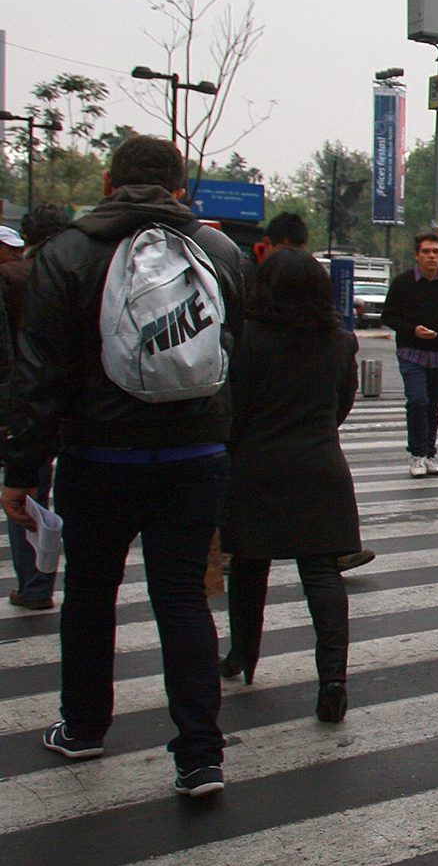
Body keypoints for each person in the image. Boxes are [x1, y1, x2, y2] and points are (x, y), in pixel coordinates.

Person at [1, 136, 245, 798]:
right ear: (180, 187)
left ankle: (83, 726)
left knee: (89, 595)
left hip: (98, 457)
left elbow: (38, 373)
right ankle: (200, 755)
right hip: (195, 458)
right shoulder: (219, 252)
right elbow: (235, 360)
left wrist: (21, 468)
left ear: (108, 180)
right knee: (182, 598)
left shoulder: (68, 253)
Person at [218, 249, 361, 723]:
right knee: (321, 574)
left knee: (249, 565)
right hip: (320, 464)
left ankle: (243, 654)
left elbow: (231, 408)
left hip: (257, 465)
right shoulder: (339, 342)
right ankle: (333, 680)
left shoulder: (246, 339)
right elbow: (342, 403)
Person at [3, 206, 68, 611]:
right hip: (80, 409)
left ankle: (35, 584)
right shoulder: (83, 272)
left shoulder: (12, 279)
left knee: (28, 495)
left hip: (28, 405)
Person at [381, 233, 438, 479]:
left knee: (433, 405)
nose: (432, 256)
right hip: (411, 352)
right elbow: (388, 316)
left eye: (436, 251)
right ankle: (417, 454)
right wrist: (413, 329)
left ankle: (429, 454)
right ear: (417, 255)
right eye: (426, 251)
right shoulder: (403, 283)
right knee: (417, 400)